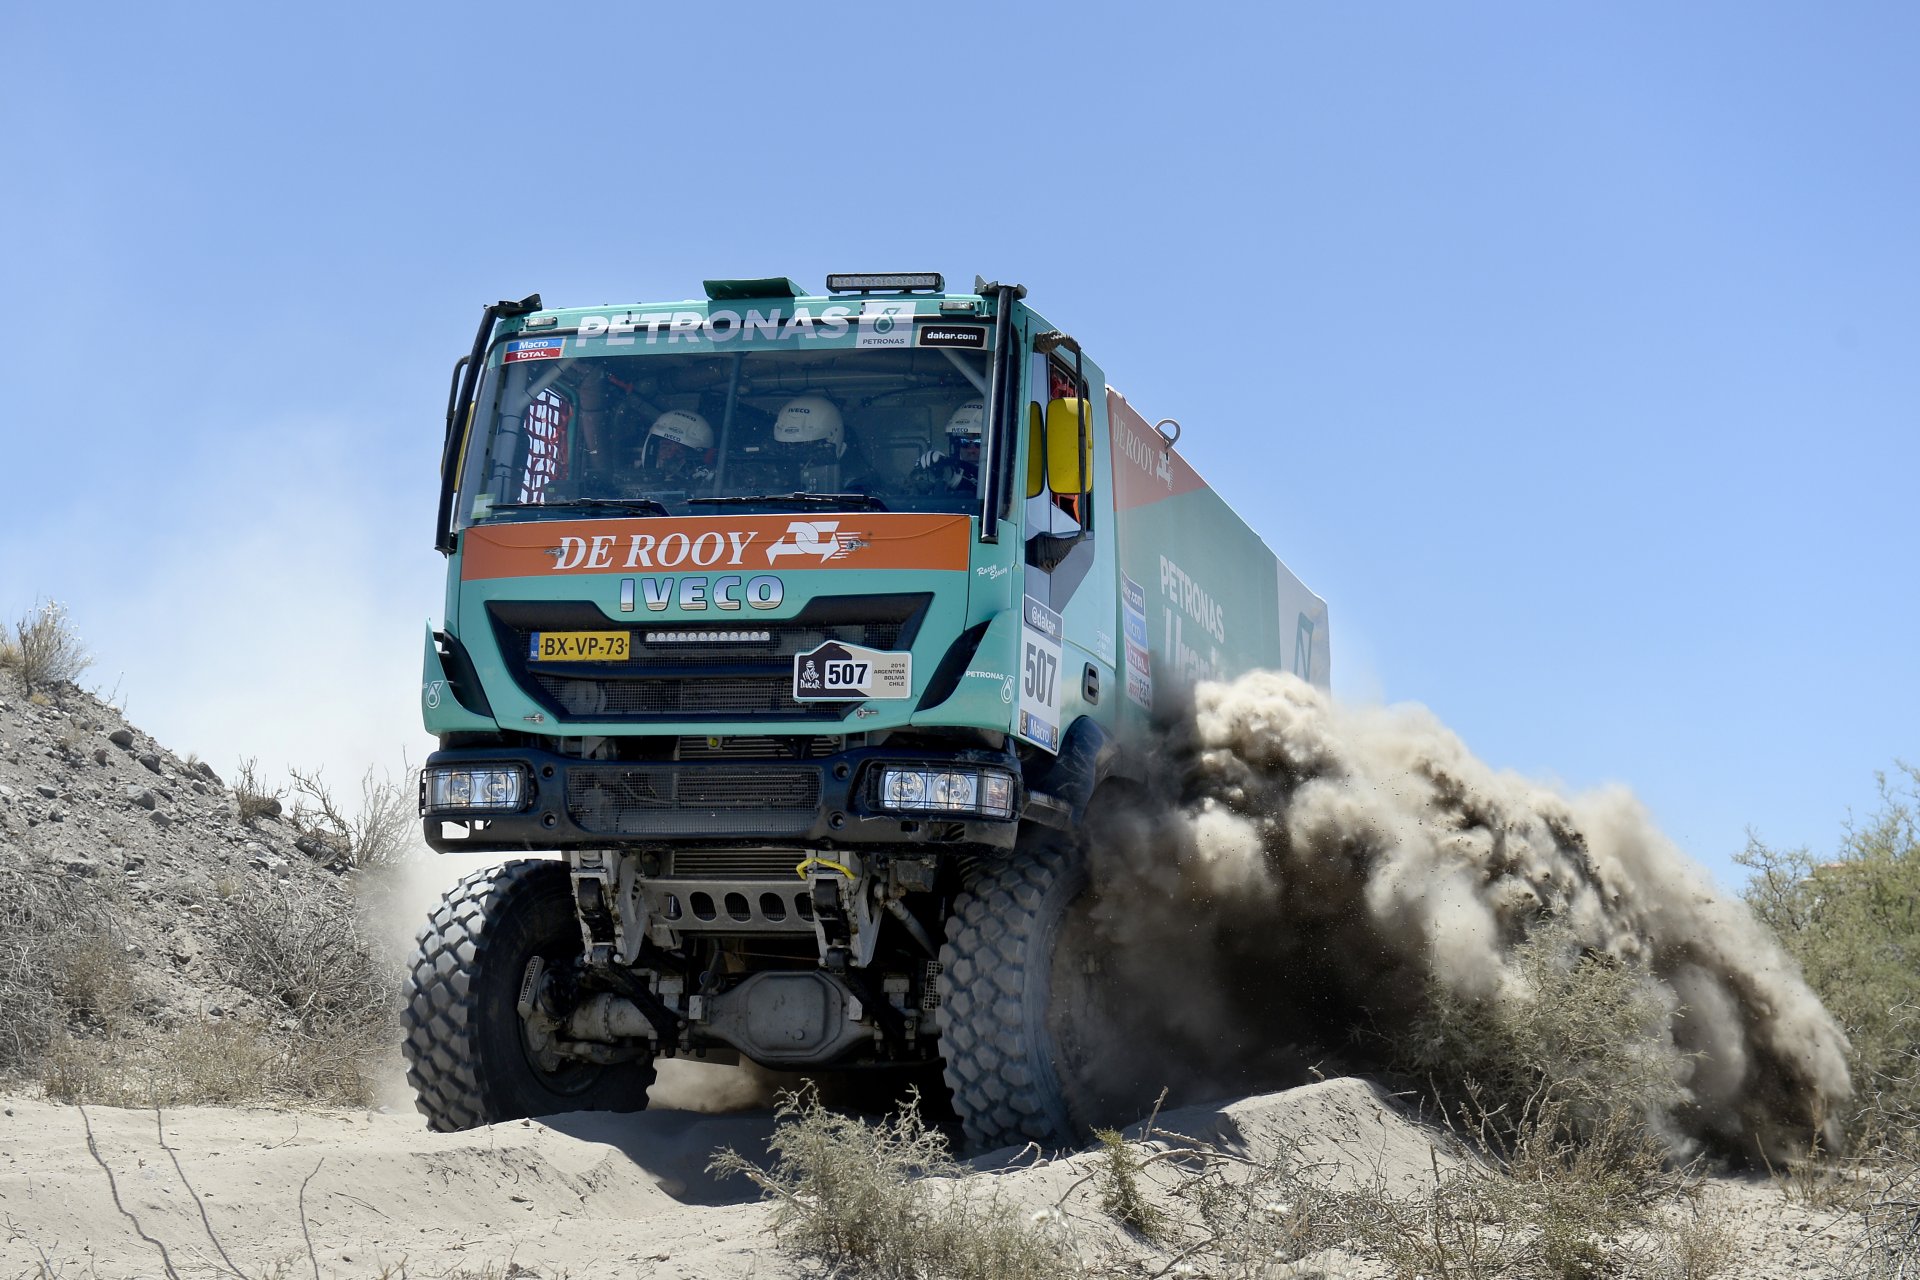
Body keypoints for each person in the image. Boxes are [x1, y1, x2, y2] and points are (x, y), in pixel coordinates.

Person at [771, 394, 846, 490]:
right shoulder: (774, 484)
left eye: (808, 447)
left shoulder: (855, 490)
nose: (794, 455)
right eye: (786, 446)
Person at [911, 398, 983, 494]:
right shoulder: (951, 471)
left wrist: (957, 480)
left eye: (978, 442)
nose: (971, 450)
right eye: (964, 442)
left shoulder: (1007, 477)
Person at [636, 408, 716, 489]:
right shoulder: (632, 479)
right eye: (665, 448)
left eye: (679, 452)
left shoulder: (710, 490)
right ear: (654, 448)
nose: (669, 456)